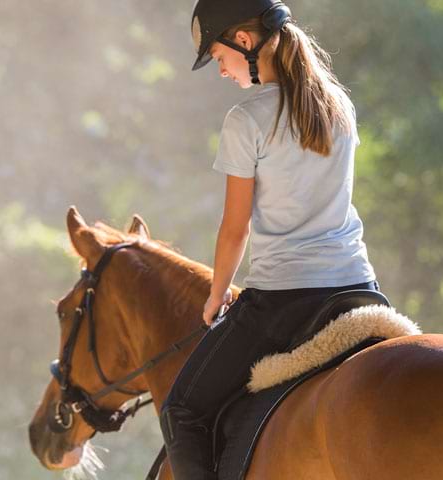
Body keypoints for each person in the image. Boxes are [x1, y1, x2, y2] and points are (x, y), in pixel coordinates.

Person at [159, 0, 382, 478]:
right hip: (358, 290)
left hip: (286, 300)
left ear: (245, 41)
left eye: (219, 57)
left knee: (181, 411)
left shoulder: (246, 119)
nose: (221, 71)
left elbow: (234, 228)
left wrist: (216, 296)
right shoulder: (339, 105)